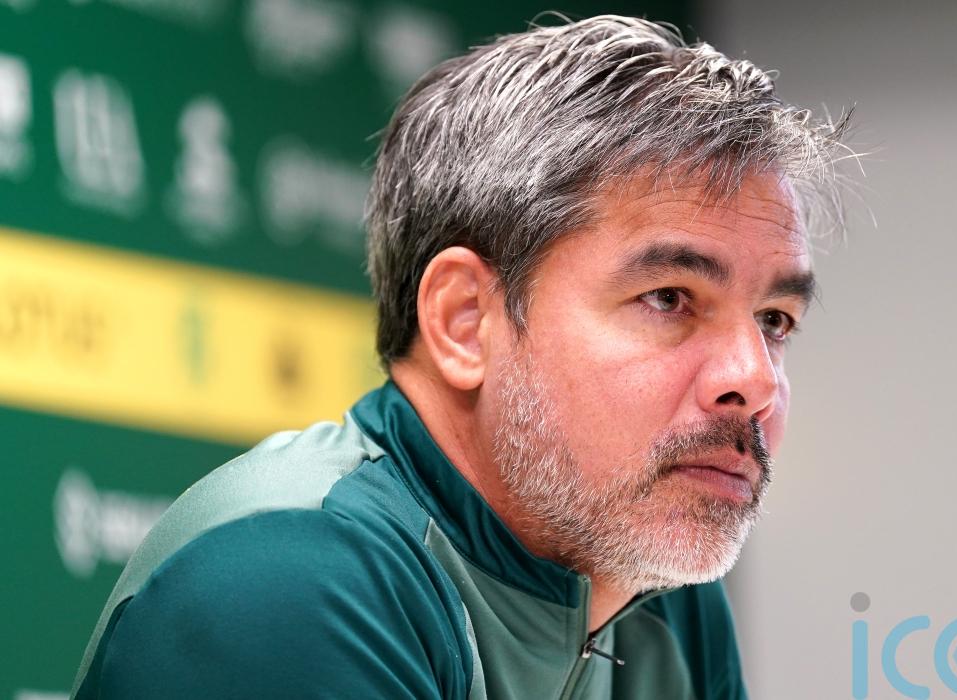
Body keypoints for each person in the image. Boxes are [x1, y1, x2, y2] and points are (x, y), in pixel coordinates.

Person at [71, 15, 850, 699]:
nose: (755, 379)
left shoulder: (659, 599)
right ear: (464, 322)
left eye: (774, 320)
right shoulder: (283, 579)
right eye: (670, 298)